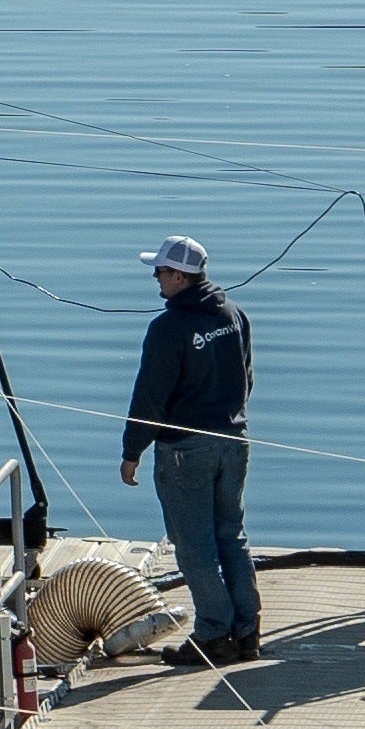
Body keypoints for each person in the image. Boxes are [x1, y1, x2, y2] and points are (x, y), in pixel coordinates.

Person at [117, 237, 257, 667]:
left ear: (180, 275)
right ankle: (247, 632)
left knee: (194, 547)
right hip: (234, 441)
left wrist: (132, 450)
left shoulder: (168, 328)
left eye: (160, 271)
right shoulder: (233, 314)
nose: (155, 277)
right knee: (231, 534)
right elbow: (246, 378)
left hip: (185, 452)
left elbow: (150, 397)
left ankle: (214, 634)